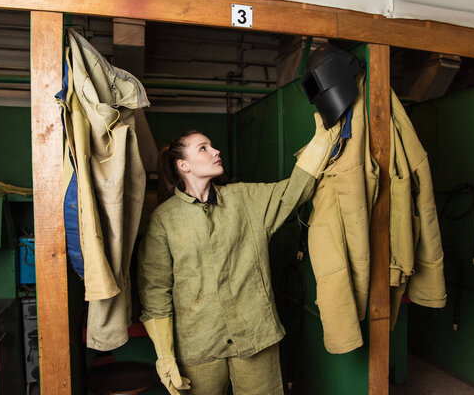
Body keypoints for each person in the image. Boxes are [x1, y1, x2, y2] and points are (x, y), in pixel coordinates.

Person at [138, 114, 341, 395]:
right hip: (199, 344)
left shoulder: (244, 198)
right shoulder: (164, 219)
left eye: (212, 145)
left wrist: (324, 138)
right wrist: (165, 355)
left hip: (256, 334)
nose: (215, 150)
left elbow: (293, 191)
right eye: (203, 148)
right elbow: (155, 290)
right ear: (183, 165)